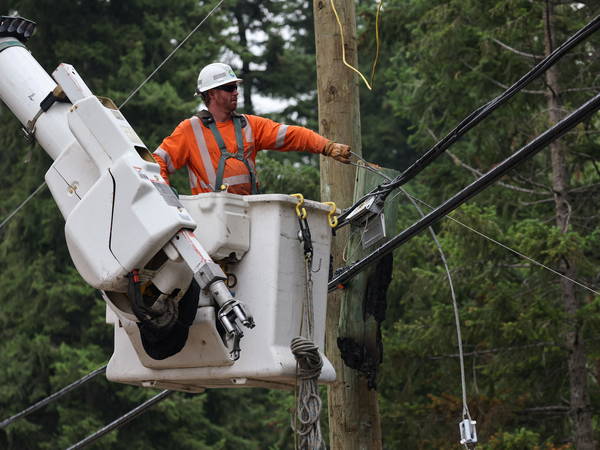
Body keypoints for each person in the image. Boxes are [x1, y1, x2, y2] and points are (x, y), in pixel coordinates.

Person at [153, 62, 351, 195]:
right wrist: (166, 200)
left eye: (236, 87)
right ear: (211, 94)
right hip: (211, 219)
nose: (236, 92)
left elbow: (292, 134)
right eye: (229, 88)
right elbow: (157, 162)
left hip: (249, 214)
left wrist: (327, 147)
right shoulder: (190, 129)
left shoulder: (248, 125)